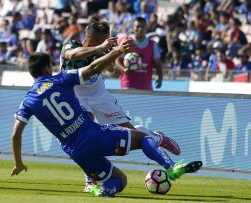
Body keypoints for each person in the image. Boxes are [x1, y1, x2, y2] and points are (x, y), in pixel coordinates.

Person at [10, 50, 202, 197]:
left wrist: (18, 163)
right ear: (46, 69)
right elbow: (93, 68)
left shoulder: (27, 101)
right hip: (94, 135)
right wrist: (117, 52)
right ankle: (171, 167)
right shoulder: (60, 79)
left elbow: (16, 134)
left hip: (76, 152)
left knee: (120, 180)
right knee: (142, 138)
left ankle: (101, 190)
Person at [60, 21, 180, 192]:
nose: (106, 41)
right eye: (103, 39)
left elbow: (110, 69)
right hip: (77, 96)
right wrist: (102, 49)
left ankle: (157, 138)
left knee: (132, 133)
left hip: (99, 95)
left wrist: (121, 61)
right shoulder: (71, 45)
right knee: (85, 135)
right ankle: (91, 179)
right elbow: (72, 55)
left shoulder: (105, 48)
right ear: (92, 38)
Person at [115, 16, 163, 91]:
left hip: (146, 86)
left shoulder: (153, 44)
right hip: (128, 85)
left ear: (146, 28)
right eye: (137, 26)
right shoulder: (127, 42)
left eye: (143, 26)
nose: (140, 29)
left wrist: (160, 77)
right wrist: (124, 69)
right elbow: (117, 60)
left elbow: (158, 64)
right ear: (133, 28)